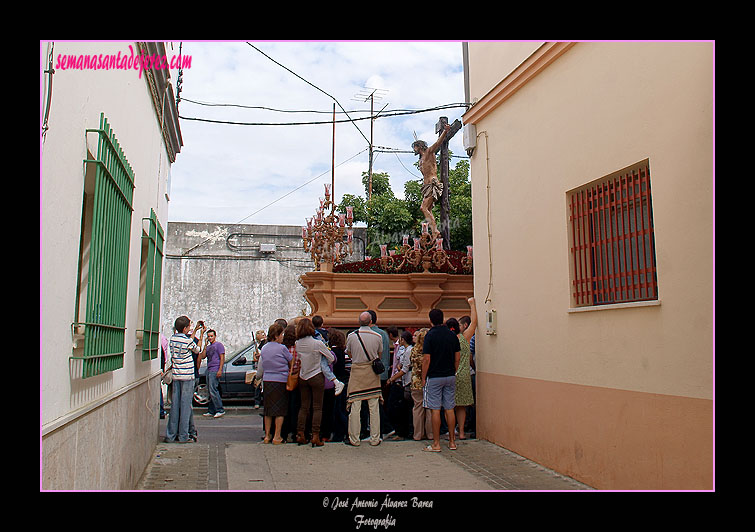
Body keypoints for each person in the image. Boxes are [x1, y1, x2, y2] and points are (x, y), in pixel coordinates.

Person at [421, 308, 460, 452]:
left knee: (435, 409)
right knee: (450, 409)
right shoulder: (452, 335)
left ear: (430, 320)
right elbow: (457, 357)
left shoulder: (430, 336)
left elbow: (426, 359)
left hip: (434, 376)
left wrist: (423, 377)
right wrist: (453, 370)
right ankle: (452, 442)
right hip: (450, 375)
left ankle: (436, 443)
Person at [344, 311, 383, 446]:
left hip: (357, 371)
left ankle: (354, 439)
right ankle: (375, 438)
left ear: (359, 322)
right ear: (371, 322)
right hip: (371, 372)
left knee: (355, 405)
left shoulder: (352, 337)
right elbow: (379, 354)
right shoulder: (377, 336)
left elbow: (348, 352)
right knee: (374, 406)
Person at [295, 318, 335, 447]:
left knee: (304, 406)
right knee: (317, 407)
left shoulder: (297, 343)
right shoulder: (317, 343)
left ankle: (300, 433)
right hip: (316, 375)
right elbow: (331, 358)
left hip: (303, 376)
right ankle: (315, 435)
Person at [165, 316, 205, 443]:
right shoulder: (187, 341)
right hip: (187, 376)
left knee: (175, 405)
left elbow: (187, 342)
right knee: (186, 406)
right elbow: (197, 349)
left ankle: (171, 434)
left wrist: (194, 332)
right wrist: (201, 335)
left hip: (177, 375)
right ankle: (183, 435)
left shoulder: (173, 339)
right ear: (185, 328)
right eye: (189, 327)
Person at [412, 121, 451, 237]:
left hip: (432, 183)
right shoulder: (421, 159)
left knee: (423, 208)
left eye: (415, 146)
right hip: (426, 186)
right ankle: (432, 231)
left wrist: (445, 131)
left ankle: (434, 230)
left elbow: (438, 143)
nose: (413, 149)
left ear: (419, 146)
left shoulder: (429, 152)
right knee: (427, 209)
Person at [447, 297, 476, 439]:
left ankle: (452, 433)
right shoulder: (464, 338)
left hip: (451, 374)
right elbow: (474, 323)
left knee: (449, 406)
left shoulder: (447, 340)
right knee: (462, 406)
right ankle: (462, 432)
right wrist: (472, 305)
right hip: (464, 374)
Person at [259, 322, 293, 444]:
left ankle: (267, 435)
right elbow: (291, 361)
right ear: (277, 335)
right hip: (281, 380)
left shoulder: (264, 348)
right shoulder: (282, 348)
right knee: (280, 410)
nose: (283, 337)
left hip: (267, 379)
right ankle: (277, 436)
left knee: (268, 410)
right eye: (282, 334)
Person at [367, 310, 393, 436]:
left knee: (373, 402)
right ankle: (383, 428)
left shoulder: (370, 333)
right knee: (379, 401)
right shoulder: (384, 334)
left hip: (373, 373)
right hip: (384, 372)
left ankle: (384, 428)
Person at [386, 330, 414, 440]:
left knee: (402, 408)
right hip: (403, 381)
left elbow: (404, 369)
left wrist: (392, 379)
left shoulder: (408, 350)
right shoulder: (406, 349)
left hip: (404, 381)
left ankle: (403, 432)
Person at [409, 328, 432, 441]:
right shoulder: (430, 350)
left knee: (417, 408)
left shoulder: (413, 350)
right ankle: (431, 433)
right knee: (429, 408)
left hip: (415, 381)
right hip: (428, 380)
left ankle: (417, 434)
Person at [280, 324, 301, 443]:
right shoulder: (298, 347)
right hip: (294, 379)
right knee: (295, 407)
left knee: (284, 407)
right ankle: (294, 432)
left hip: (282, 379)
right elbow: (299, 362)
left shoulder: (281, 347)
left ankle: (282, 432)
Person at [328, 328, 350, 443]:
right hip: (345, 381)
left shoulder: (331, 352)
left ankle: (340, 433)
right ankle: (345, 431)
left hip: (335, 382)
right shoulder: (344, 352)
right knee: (342, 408)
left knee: (336, 410)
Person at [198, 329, 226, 418]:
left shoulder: (219, 345)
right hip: (209, 369)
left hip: (215, 369)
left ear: (215, 336)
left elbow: (222, 358)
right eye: (209, 336)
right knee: (210, 391)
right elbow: (202, 356)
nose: (210, 338)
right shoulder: (209, 347)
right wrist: (205, 345)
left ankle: (220, 409)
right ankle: (211, 410)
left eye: (211, 336)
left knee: (213, 389)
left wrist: (220, 370)